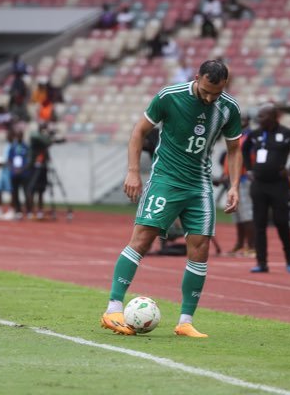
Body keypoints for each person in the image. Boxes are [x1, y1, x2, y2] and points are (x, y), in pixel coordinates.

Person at [101, 59, 242, 338]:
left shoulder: (229, 107)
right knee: (142, 239)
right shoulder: (170, 96)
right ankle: (113, 308)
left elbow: (235, 149)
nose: (210, 97)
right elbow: (139, 131)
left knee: (200, 248)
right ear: (197, 78)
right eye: (205, 90)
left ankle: (185, 321)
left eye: (216, 92)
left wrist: (235, 185)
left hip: (199, 186)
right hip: (165, 181)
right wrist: (132, 172)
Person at [242, 102, 290, 273]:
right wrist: (249, 169)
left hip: (278, 185)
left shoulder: (287, 134)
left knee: (281, 222)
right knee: (259, 224)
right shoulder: (255, 135)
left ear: (273, 117)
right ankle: (261, 262)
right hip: (259, 185)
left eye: (262, 116)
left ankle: (289, 257)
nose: (259, 119)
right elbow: (244, 149)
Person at [222, 112, 255, 255]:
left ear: (248, 120)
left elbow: (248, 158)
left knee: (247, 213)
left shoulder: (250, 137)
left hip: (243, 179)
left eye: (242, 119)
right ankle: (240, 244)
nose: (240, 121)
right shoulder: (236, 135)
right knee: (238, 214)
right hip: (232, 179)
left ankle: (252, 246)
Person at [8, 129, 31, 219]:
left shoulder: (26, 147)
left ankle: (29, 210)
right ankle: (18, 210)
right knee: (15, 193)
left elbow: (29, 160)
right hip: (14, 174)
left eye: (20, 135)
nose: (19, 137)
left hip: (24, 174)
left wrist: (22, 169)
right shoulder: (13, 147)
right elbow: (9, 160)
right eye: (18, 135)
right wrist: (13, 169)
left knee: (26, 192)